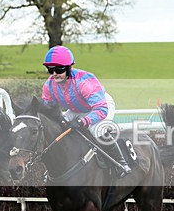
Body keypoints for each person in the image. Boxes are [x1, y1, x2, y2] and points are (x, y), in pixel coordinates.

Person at [41, 45, 131, 178]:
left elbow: (101, 109)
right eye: (51, 69)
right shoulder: (49, 86)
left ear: (68, 68)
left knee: (96, 129)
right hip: (78, 109)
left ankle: (121, 163)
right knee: (60, 127)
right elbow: (48, 111)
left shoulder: (83, 80)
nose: (54, 74)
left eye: (59, 69)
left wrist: (83, 121)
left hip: (101, 105)